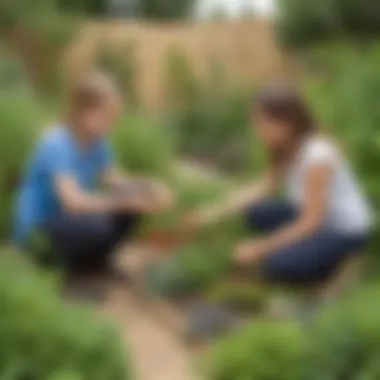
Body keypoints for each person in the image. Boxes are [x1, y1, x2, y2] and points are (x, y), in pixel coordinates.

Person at [185, 83, 372, 286]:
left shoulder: (318, 155)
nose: (257, 131)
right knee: (255, 212)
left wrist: (259, 247)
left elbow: (311, 222)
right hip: (313, 216)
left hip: (341, 229)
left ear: (286, 123)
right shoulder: (286, 147)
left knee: (276, 265)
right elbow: (265, 187)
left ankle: (337, 264)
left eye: (262, 124)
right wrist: (212, 212)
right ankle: (300, 248)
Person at [13, 72, 172, 275]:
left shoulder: (98, 142)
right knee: (101, 220)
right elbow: (73, 202)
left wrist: (148, 188)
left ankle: (95, 264)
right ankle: (53, 263)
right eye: (107, 117)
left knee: (129, 212)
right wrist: (124, 202)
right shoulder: (57, 143)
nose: (111, 124)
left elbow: (116, 181)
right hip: (40, 228)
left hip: (67, 221)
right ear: (83, 112)